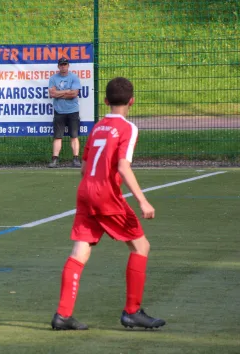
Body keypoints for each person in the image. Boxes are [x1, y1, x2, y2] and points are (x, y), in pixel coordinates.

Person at [51, 77, 166, 331]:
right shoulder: (128, 128)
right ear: (132, 101)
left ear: (105, 101)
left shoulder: (98, 127)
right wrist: (143, 201)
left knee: (80, 252)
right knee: (141, 246)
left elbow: (84, 167)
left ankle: (63, 314)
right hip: (106, 196)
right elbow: (123, 167)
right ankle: (132, 311)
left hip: (85, 192)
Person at [48, 57, 82, 168]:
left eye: (65, 64)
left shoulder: (74, 77)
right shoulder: (53, 78)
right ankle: (55, 159)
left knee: (74, 135)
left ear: (68, 66)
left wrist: (59, 93)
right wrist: (67, 91)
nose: (63, 66)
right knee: (58, 136)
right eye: (61, 65)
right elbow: (52, 94)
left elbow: (74, 94)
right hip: (59, 111)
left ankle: (76, 159)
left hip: (73, 111)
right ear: (58, 66)